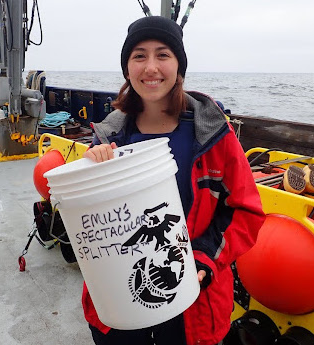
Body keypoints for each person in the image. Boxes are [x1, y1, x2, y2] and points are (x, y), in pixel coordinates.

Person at [82, 15, 265, 345]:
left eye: (163, 54)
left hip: (193, 303)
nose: (151, 67)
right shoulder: (107, 137)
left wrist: (205, 257)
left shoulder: (212, 135)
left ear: (179, 67)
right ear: (127, 69)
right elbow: (90, 227)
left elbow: (245, 210)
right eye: (139, 55)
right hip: (118, 305)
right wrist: (89, 177)